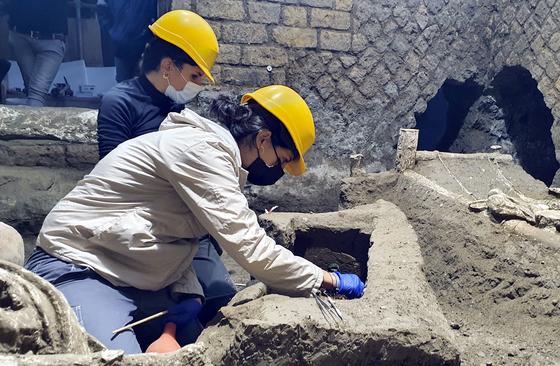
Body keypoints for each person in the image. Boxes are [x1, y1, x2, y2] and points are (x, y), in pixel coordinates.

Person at [25, 84, 365, 354]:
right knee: (114, 357)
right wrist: (329, 280)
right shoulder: (202, 152)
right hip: (77, 267)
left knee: (198, 338)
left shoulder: (213, 157)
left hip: (122, 270)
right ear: (263, 140)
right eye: (281, 160)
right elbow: (250, 246)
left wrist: (186, 296)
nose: (277, 171)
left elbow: (174, 232)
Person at [96, 9, 233, 327]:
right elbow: (115, 184)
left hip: (185, 228)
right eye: (196, 76)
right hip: (141, 228)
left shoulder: (178, 108)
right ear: (169, 65)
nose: (198, 85)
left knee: (222, 298)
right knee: (170, 316)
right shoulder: (119, 103)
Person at [7, 0, 67, 107]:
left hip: (52, 41)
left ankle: (26, 122)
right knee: (32, 92)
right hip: (21, 36)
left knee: (36, 93)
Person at [97, 0, 158, 82]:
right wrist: (112, 33)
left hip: (144, 47)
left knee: (144, 86)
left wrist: (148, 35)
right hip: (121, 48)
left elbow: (156, 11)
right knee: (122, 85)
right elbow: (101, 8)